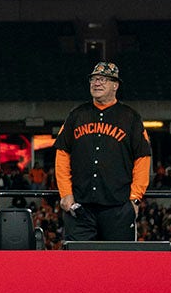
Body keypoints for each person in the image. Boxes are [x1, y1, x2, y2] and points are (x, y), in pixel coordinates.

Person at [54, 61, 152, 242]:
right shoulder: (76, 115)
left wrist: (135, 198)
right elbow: (62, 154)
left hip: (118, 207)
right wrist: (65, 193)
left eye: (103, 79)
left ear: (115, 85)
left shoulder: (130, 117)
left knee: (118, 258)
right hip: (79, 207)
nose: (96, 83)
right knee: (78, 258)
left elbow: (143, 158)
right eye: (93, 79)